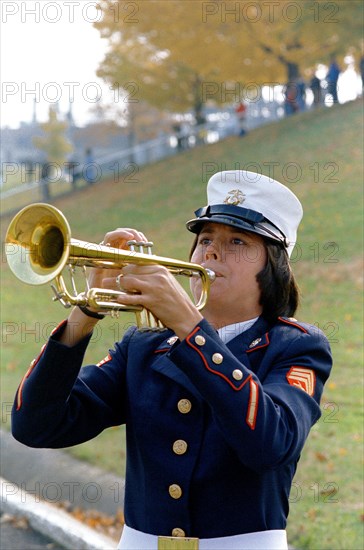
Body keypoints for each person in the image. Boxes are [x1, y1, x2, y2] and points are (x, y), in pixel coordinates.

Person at [11, 170, 332, 550]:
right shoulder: (144, 345)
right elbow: (36, 426)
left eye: (237, 241)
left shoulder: (297, 346)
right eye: (205, 238)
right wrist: (86, 310)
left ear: (273, 264)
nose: (211, 250)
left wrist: (189, 327)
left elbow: (268, 444)